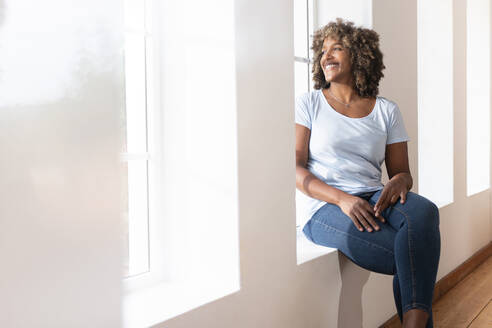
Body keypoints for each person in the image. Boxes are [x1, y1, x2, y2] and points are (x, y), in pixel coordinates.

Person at [295, 18, 441, 328]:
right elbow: (294, 169)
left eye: (337, 48)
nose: (326, 56)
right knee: (414, 258)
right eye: (322, 51)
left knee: (425, 212)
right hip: (325, 207)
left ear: (360, 55)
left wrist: (401, 180)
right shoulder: (309, 104)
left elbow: (402, 173)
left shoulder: (386, 110)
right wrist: (343, 200)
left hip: (375, 197)